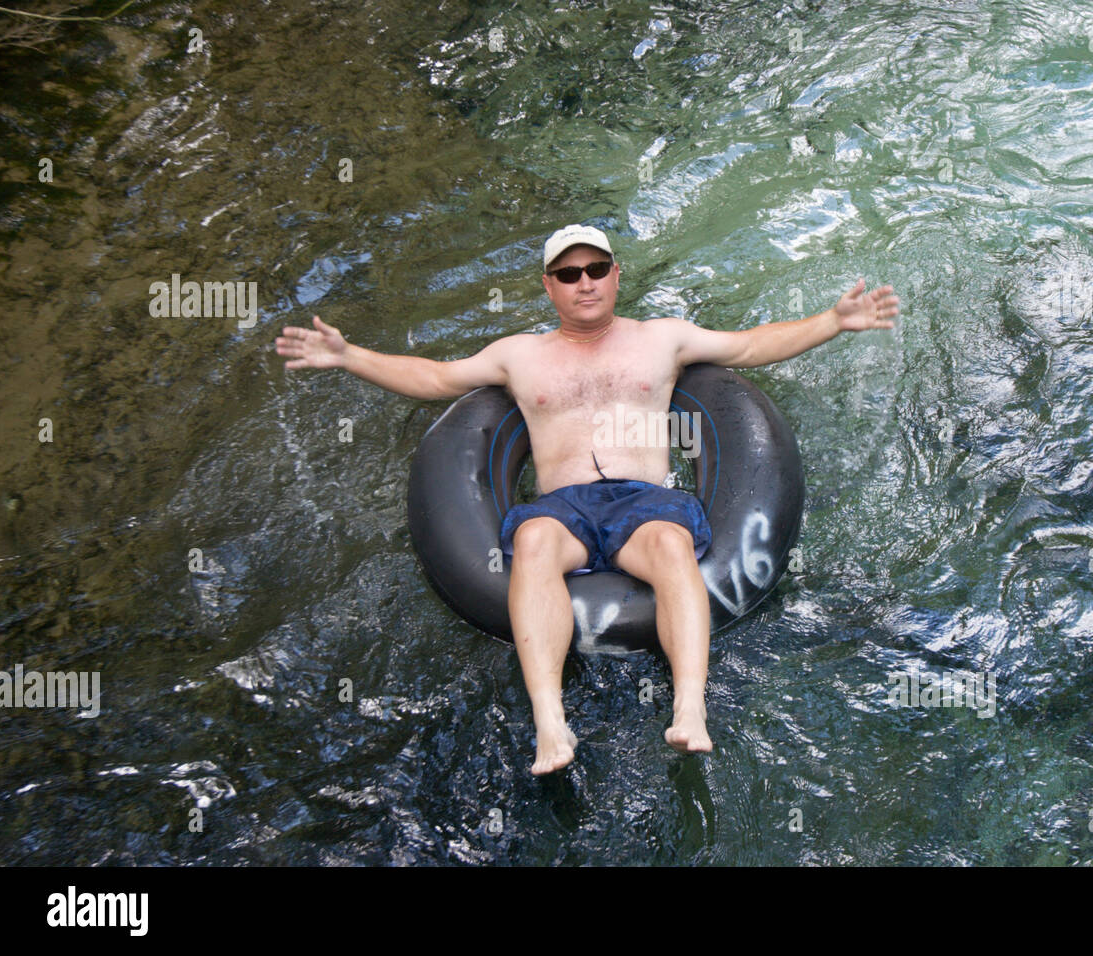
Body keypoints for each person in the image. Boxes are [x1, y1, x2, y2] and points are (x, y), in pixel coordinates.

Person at [275, 224, 899, 775]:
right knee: (532, 541)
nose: (585, 283)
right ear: (549, 286)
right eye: (569, 274)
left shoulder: (664, 339)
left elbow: (748, 346)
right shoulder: (520, 354)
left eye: (596, 269)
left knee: (671, 543)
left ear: (615, 274)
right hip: (564, 505)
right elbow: (437, 378)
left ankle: (689, 708)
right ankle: (551, 720)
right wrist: (348, 355)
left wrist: (832, 321)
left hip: (644, 500)